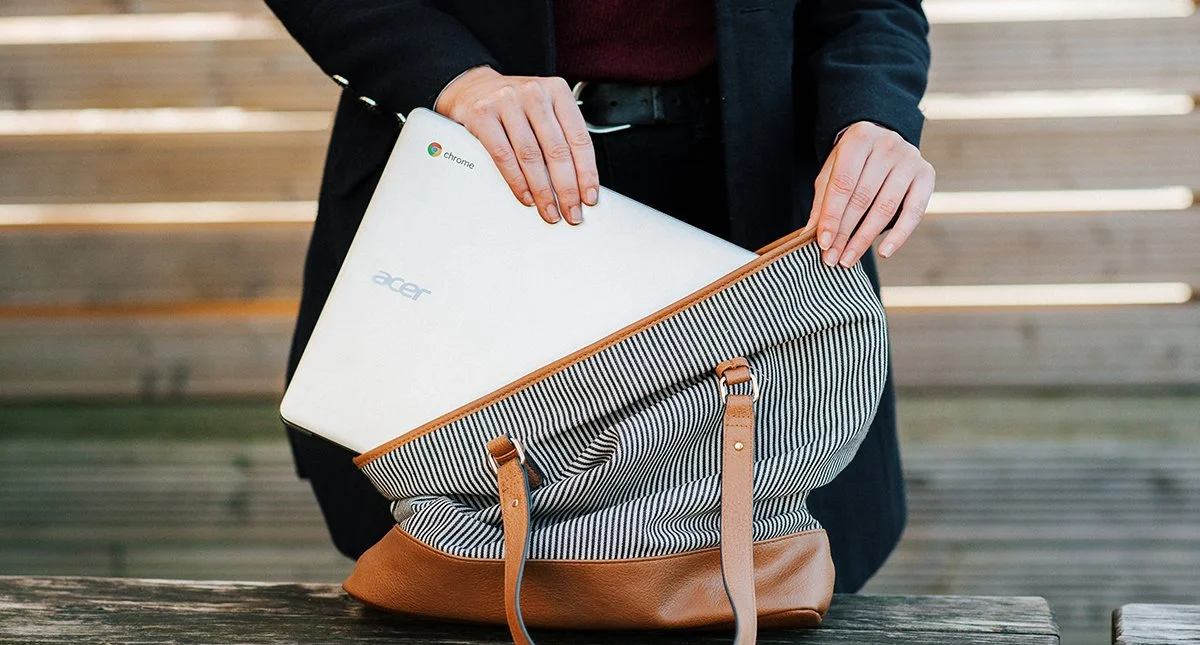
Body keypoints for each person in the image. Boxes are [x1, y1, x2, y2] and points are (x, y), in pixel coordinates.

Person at [266, 0, 933, 593]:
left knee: (774, 562)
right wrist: (456, 78)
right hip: (482, 173)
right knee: (449, 572)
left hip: (746, 202)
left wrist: (874, 110)